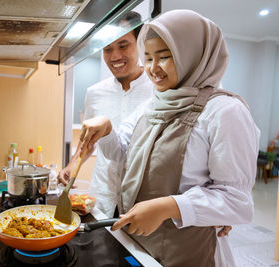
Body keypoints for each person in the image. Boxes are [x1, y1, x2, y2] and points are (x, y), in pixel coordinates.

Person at [78, 9, 260, 267]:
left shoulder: (225, 112)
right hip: (144, 246)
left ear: (193, 56)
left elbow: (236, 201)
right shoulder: (154, 105)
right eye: (148, 58)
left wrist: (169, 206)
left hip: (192, 251)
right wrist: (107, 130)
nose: (153, 69)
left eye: (164, 57)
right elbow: (121, 153)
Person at [57, 11, 154, 217]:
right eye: (107, 48)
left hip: (143, 202)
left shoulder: (158, 90)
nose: (115, 56)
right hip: (101, 198)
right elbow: (88, 141)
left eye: (123, 45)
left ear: (140, 43)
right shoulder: (95, 93)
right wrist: (72, 164)